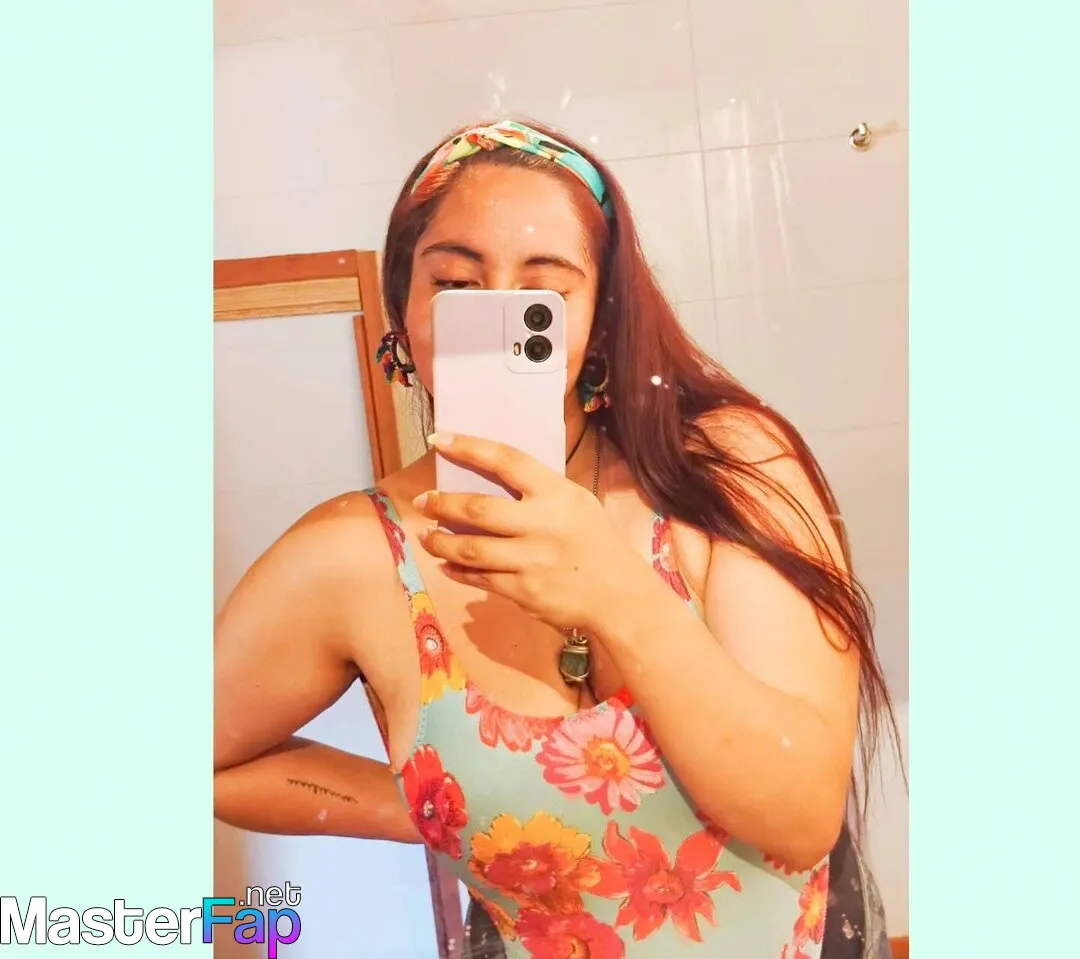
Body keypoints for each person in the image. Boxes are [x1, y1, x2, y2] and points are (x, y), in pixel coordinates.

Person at [215, 118, 900, 959]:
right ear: (404, 311)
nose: (496, 315)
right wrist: (427, 809)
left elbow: (799, 817)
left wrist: (616, 594)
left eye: (541, 291)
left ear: (600, 316)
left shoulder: (727, 469)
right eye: (457, 286)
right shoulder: (352, 557)